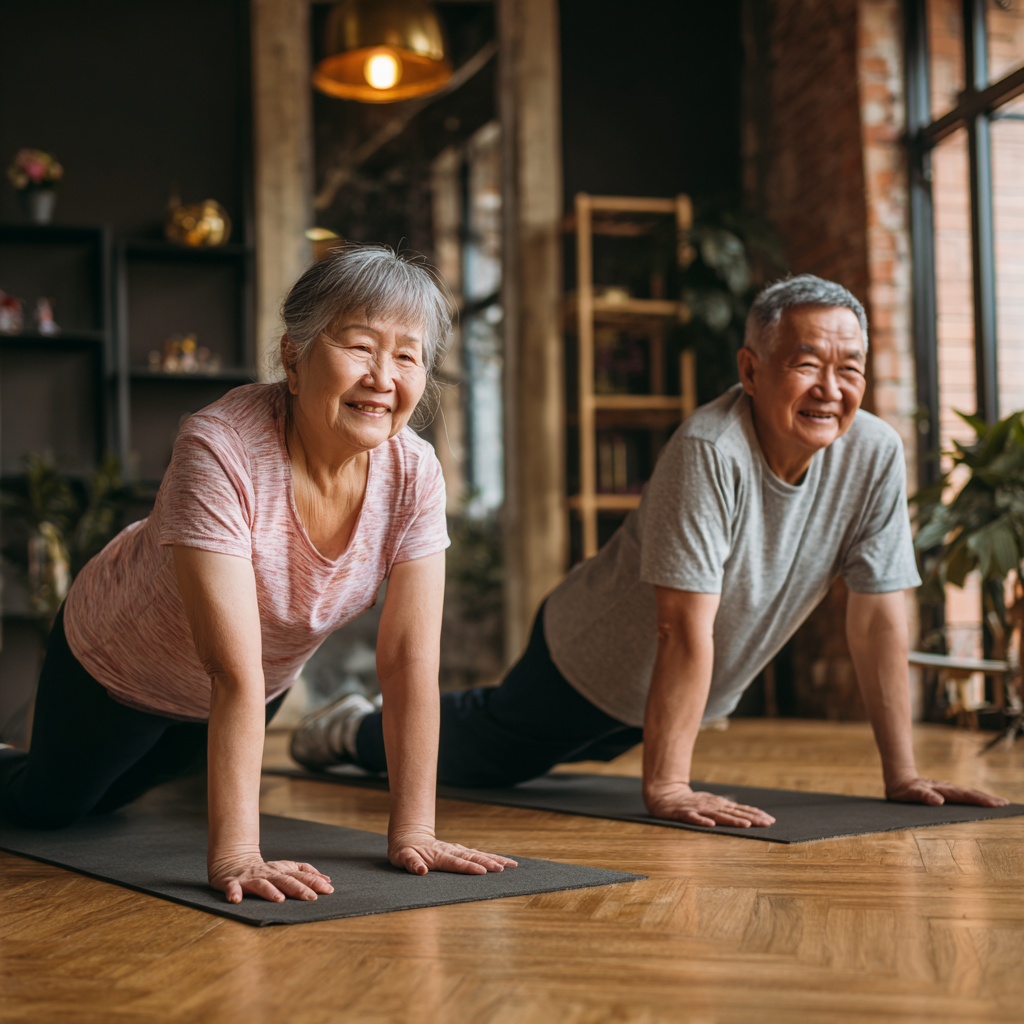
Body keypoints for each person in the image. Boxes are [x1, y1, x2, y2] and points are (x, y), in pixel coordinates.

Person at [293, 274, 1008, 827]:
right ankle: (349, 729)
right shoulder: (710, 448)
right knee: (483, 754)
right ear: (752, 369)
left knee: (559, 752)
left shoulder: (874, 453)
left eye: (849, 368)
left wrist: (903, 773)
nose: (831, 388)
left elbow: (879, 615)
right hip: (591, 655)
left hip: (672, 692)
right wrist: (668, 785)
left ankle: (373, 720)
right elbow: (681, 624)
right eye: (806, 363)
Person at [0, 244, 515, 900]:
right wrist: (238, 855)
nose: (384, 377)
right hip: (118, 666)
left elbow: (410, 662)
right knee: (54, 809)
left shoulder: (414, 473)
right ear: (294, 359)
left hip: (243, 693)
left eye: (407, 355)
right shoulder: (218, 449)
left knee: (114, 803)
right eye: (360, 346)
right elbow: (231, 669)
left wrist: (414, 830)